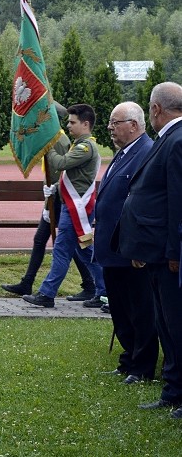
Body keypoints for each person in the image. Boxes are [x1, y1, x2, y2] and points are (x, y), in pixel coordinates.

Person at [116, 82, 182, 418]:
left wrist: (173, 252)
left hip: (167, 254)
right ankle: (172, 390)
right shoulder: (168, 138)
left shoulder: (178, 139)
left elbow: (177, 202)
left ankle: (179, 392)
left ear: (155, 110)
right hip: (155, 250)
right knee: (167, 325)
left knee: (175, 324)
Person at [2, 104, 96, 300]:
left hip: (67, 202)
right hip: (59, 198)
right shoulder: (62, 140)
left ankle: (58, 291)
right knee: (60, 245)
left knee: (70, 248)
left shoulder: (59, 140)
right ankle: (31, 283)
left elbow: (59, 168)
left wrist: (49, 202)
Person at [94, 102, 157, 384]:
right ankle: (128, 358)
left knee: (139, 309)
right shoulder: (124, 153)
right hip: (114, 248)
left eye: (114, 122)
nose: (110, 128)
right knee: (120, 308)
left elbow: (144, 203)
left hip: (131, 249)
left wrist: (139, 245)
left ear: (133, 124)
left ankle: (141, 366)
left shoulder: (146, 152)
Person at [23, 104, 106, 308]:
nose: (68, 125)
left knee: (62, 250)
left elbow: (60, 163)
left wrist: (47, 144)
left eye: (72, 122)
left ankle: (47, 293)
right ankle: (105, 291)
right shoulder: (80, 144)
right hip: (73, 205)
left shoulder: (84, 147)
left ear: (85, 124)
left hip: (76, 207)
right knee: (86, 251)